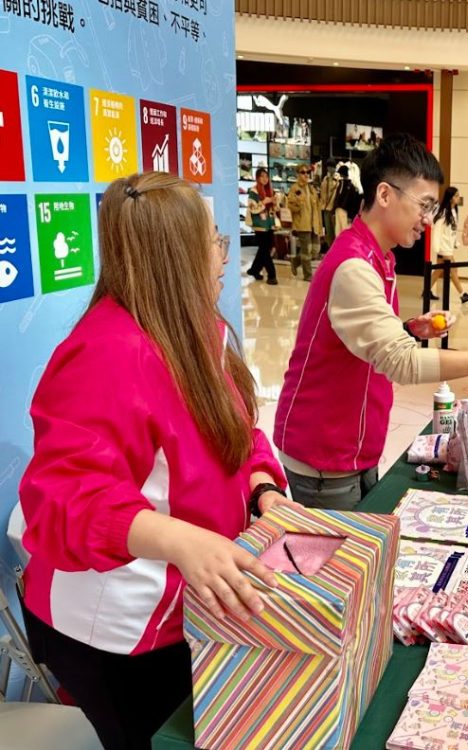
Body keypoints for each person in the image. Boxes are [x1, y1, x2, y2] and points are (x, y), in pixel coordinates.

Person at [18, 173, 298, 750]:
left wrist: (262, 488)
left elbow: (238, 431)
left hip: (188, 607)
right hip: (120, 634)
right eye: (214, 241)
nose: (224, 254)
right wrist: (180, 540)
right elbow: (62, 500)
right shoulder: (105, 354)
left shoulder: (196, 330)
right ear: (177, 255)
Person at [274, 134, 468, 510]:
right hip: (325, 451)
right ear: (385, 194)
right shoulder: (355, 266)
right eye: (424, 205)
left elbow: (356, 339)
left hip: (351, 442)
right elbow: (403, 364)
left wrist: (406, 330)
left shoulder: (377, 256)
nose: (427, 219)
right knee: (346, 547)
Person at [429, 186, 468, 304]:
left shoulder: (453, 211)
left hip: (448, 246)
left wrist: (455, 242)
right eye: (456, 196)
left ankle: (426, 291)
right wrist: (437, 247)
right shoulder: (443, 213)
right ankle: (462, 294)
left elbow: (452, 230)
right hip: (443, 248)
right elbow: (437, 230)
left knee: (438, 270)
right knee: (454, 270)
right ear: (450, 198)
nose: (458, 198)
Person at [286, 164, 322, 280]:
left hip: (313, 224)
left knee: (315, 250)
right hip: (302, 224)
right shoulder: (295, 188)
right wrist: (299, 203)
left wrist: (319, 225)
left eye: (308, 172)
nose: (306, 174)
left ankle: (296, 261)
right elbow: (290, 206)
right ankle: (308, 275)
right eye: (303, 172)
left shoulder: (311, 189)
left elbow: (317, 208)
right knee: (306, 251)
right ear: (298, 174)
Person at [246, 167, 278, 285]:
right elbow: (253, 209)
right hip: (259, 225)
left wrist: (275, 202)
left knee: (264, 249)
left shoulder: (270, 190)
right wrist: (264, 202)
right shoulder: (253, 191)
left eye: (266, 176)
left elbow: (275, 209)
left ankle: (254, 270)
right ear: (257, 178)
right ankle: (272, 275)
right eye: (262, 176)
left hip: (269, 224)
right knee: (265, 250)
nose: (265, 179)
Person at [319, 160, 340, 248]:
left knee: (336, 230)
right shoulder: (325, 179)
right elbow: (322, 192)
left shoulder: (338, 179)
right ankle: (330, 248)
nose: (329, 168)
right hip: (325, 208)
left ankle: (337, 249)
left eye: (331, 166)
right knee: (328, 231)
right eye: (328, 166)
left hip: (334, 209)